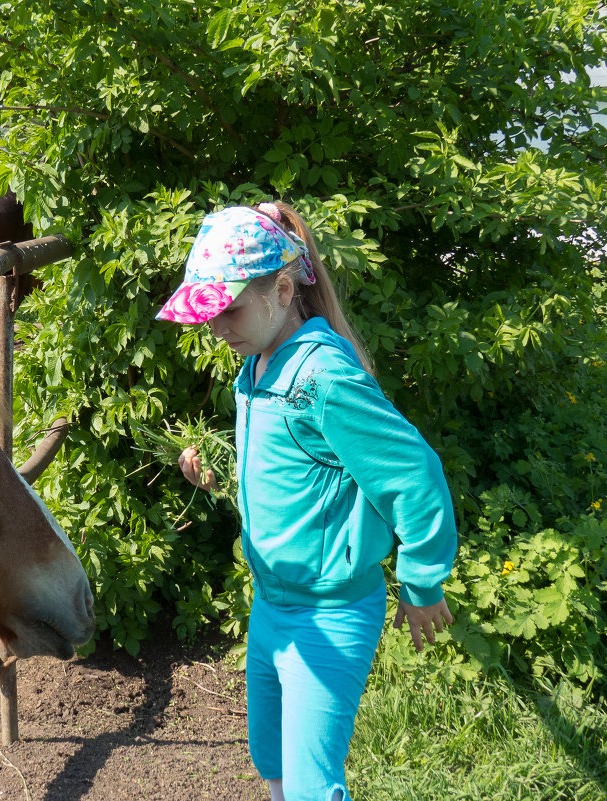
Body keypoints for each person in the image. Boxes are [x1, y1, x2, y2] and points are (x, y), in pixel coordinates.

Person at [155, 203, 458, 801]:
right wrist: (215, 477)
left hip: (330, 615)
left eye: (229, 309)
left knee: (311, 787)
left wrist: (422, 582)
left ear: (284, 289)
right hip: (271, 606)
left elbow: (415, 476)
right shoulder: (260, 363)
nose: (217, 327)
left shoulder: (322, 377)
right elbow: (295, 474)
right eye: (209, 313)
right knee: (271, 759)